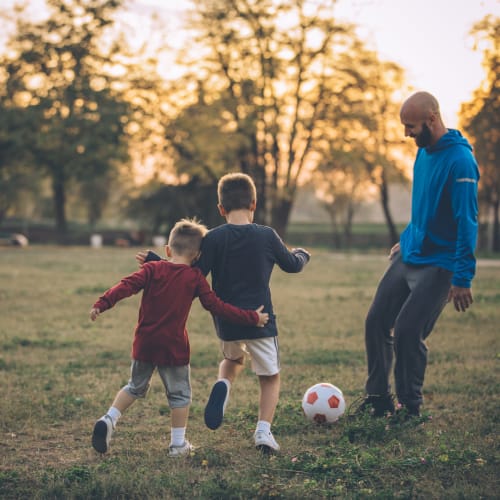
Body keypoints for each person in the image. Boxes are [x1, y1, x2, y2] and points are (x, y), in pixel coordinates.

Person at [139, 173, 310, 452]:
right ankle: (263, 433)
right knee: (270, 377)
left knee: (232, 358)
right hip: (260, 321)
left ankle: (224, 384)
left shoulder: (214, 239)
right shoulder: (267, 235)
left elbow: (190, 274)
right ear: (253, 203)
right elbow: (292, 264)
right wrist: (303, 254)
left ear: (221, 208)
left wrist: (158, 263)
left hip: (226, 321)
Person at [90, 218, 269, 457]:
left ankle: (109, 418)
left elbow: (126, 286)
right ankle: (177, 445)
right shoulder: (195, 278)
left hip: (144, 342)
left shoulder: (151, 269)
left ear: (167, 249)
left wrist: (102, 303)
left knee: (134, 387)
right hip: (173, 348)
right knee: (180, 395)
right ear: (197, 257)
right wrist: (251, 318)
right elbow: (217, 306)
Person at [358, 91, 479, 418]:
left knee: (409, 331)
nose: (406, 133)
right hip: (411, 252)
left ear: (431, 119)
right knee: (376, 322)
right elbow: (426, 204)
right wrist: (408, 238)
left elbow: (466, 222)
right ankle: (378, 399)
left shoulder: (461, 162)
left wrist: (462, 277)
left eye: (410, 126)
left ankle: (408, 408)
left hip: (440, 263)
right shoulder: (424, 152)